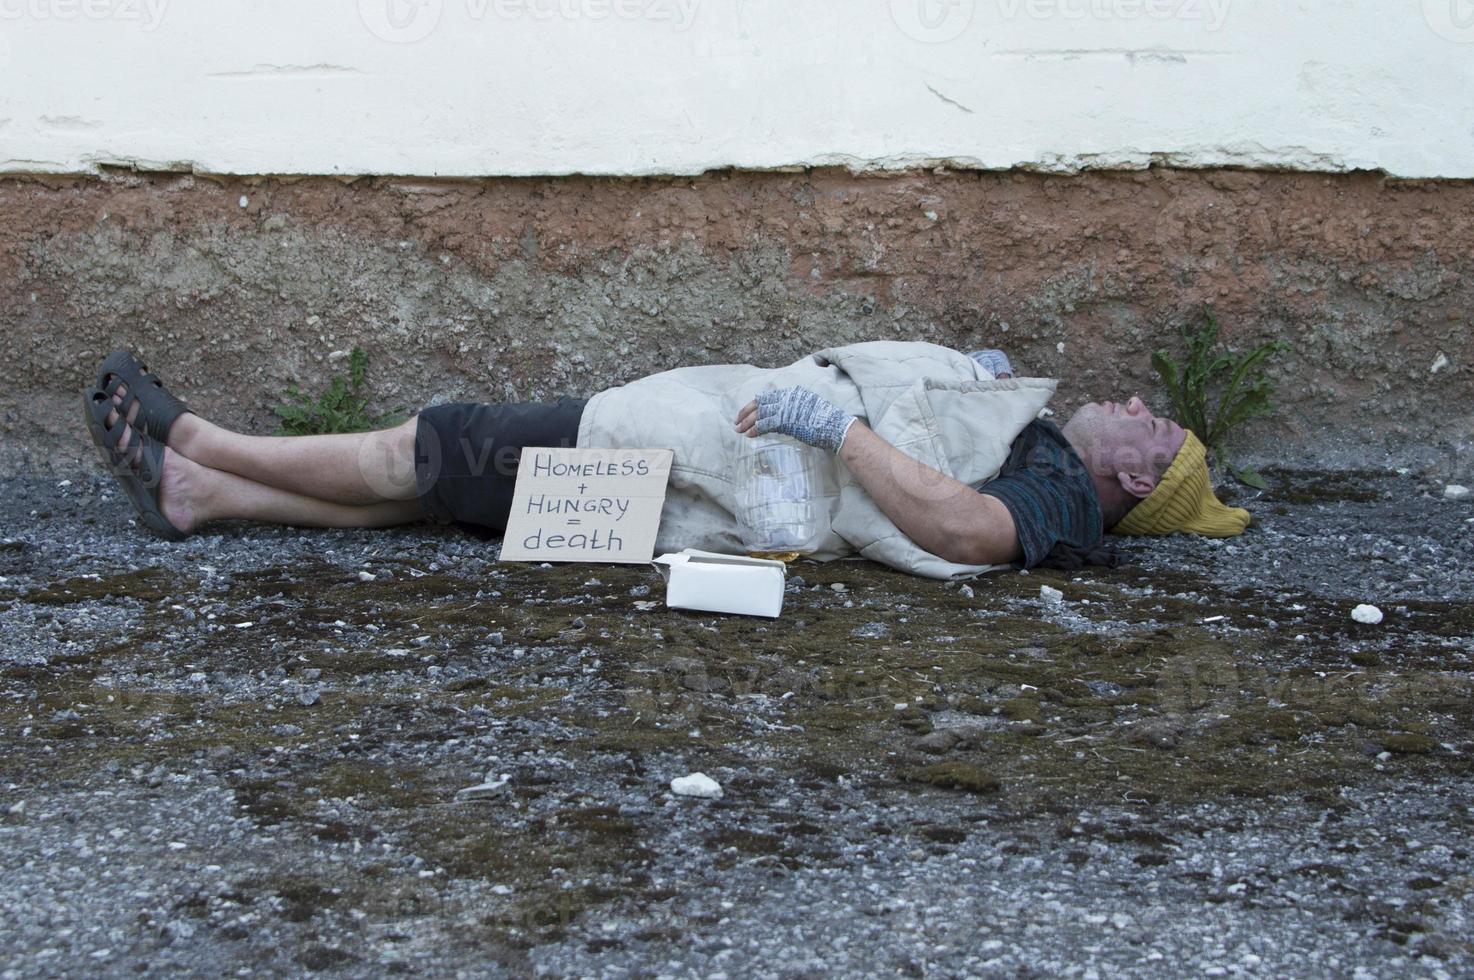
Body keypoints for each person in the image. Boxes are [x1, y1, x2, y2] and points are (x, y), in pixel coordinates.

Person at [81, 343, 1248, 578]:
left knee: (435, 446)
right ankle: (207, 496)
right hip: (709, 480)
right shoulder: (1042, 454)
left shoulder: (1054, 499)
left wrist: (832, 421)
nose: (1137, 401)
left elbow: (966, 531)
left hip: (710, 454)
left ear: (1141, 479)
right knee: (460, 502)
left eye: (1155, 425)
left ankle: (202, 441)